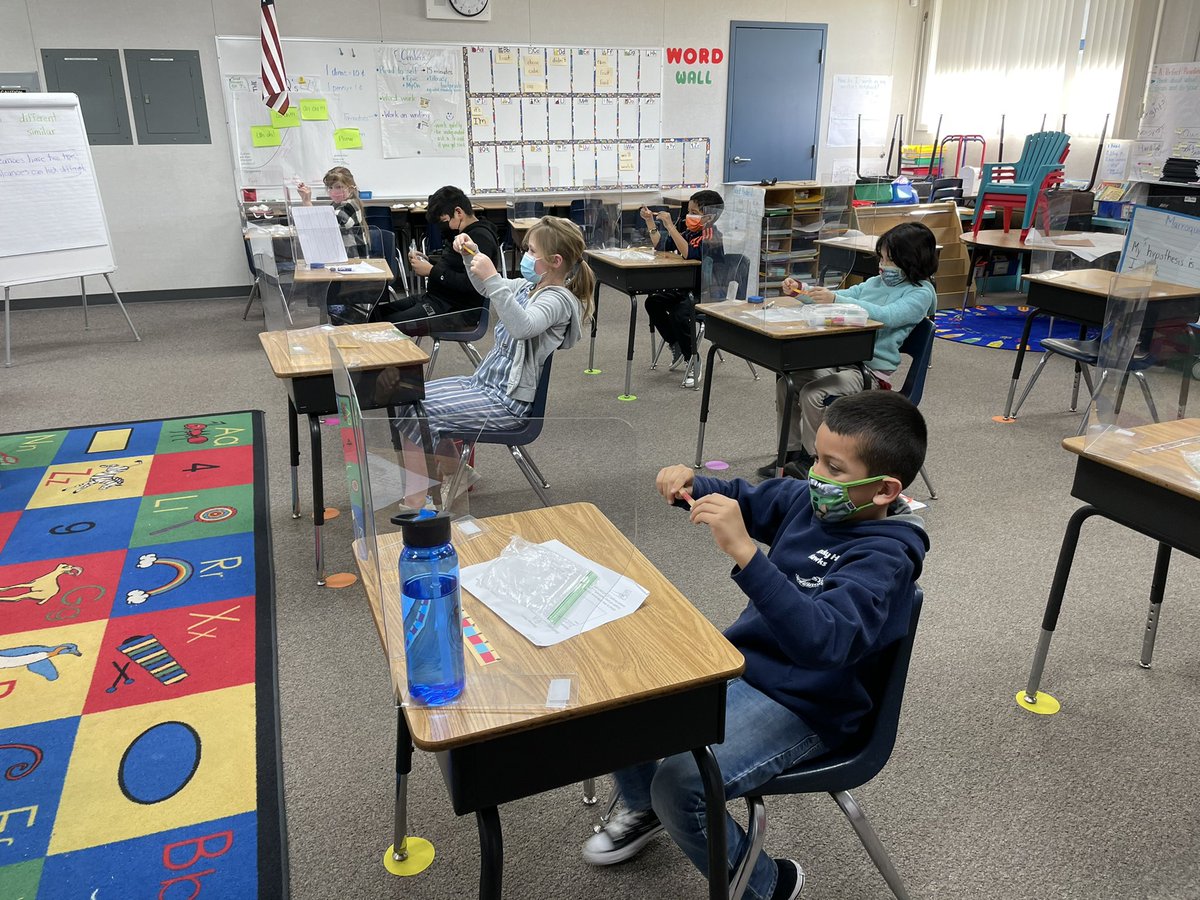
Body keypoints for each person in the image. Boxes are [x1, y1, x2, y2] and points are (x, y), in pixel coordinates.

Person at [582, 390, 929, 900]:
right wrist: (693, 482)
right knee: (623, 695)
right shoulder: (808, 504)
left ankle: (767, 886)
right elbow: (740, 495)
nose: (814, 476)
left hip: (809, 705)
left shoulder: (886, 559)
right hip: (743, 668)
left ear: (883, 491)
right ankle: (642, 808)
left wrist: (747, 554)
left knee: (680, 788)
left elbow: (823, 643)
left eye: (833, 468)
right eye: (816, 458)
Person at [389, 216, 593, 447]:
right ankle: (450, 472)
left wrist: (493, 277)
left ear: (555, 261)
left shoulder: (558, 300)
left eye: (532, 251)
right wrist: (470, 255)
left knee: (419, 413)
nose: (526, 255)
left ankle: (439, 477)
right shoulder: (529, 287)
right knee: (406, 399)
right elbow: (486, 288)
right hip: (483, 383)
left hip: (508, 403)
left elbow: (522, 327)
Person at [757, 221, 938, 480]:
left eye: (890, 260)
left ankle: (814, 459)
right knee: (788, 383)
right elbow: (843, 295)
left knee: (812, 394)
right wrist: (803, 291)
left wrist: (837, 300)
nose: (883, 266)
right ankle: (790, 453)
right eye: (882, 259)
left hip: (870, 372)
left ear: (912, 260)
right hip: (841, 361)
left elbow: (887, 316)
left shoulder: (921, 293)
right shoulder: (876, 282)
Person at [372, 185, 501, 329]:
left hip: (458, 311)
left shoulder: (479, 238)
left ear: (458, 212)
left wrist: (431, 271)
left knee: (384, 327)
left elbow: (472, 285)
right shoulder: (463, 233)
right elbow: (454, 265)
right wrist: (428, 261)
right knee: (373, 316)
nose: (441, 227)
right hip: (436, 299)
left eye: (443, 221)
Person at [642, 189, 725, 388]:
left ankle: (693, 359)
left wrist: (670, 226)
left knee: (680, 315)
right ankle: (677, 345)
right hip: (685, 287)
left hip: (706, 293)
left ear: (709, 216)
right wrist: (650, 222)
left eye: (694, 212)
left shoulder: (712, 236)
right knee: (653, 302)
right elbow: (661, 244)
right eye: (689, 211)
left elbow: (689, 254)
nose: (689, 216)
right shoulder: (690, 231)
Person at [297, 166, 368, 257]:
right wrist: (305, 200)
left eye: (338, 187)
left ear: (350, 188)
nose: (333, 191)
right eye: (330, 187)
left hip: (354, 261)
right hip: (342, 257)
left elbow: (327, 226)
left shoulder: (350, 205)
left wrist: (307, 202)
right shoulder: (335, 205)